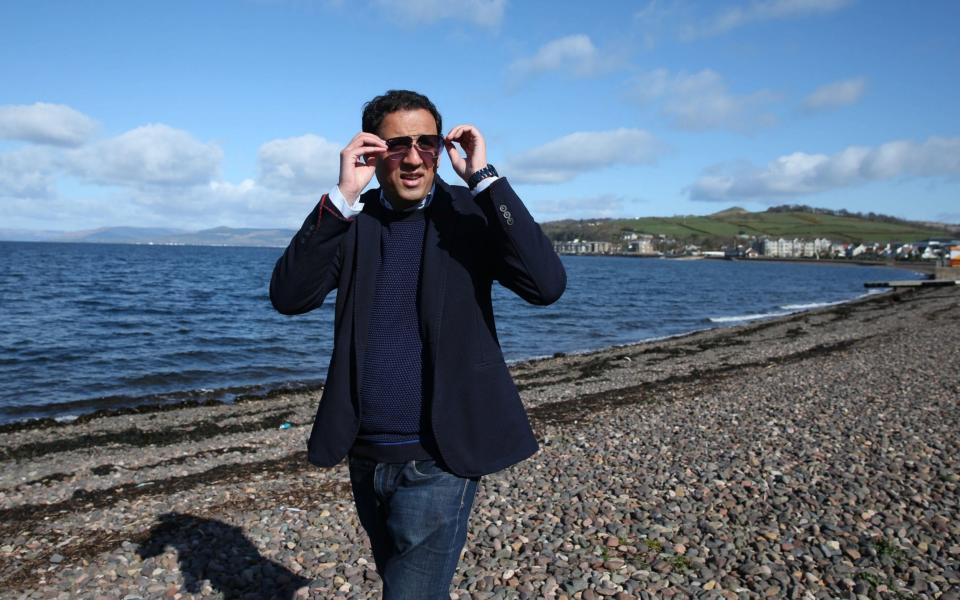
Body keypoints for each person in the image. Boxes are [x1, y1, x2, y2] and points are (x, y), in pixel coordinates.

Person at [270, 90, 565, 598]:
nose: (412, 158)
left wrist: (485, 180)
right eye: (397, 145)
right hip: (364, 451)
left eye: (425, 144)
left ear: (439, 148)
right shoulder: (353, 221)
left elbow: (546, 285)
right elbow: (290, 296)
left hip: (439, 456)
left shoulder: (468, 216)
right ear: (372, 151)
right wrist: (341, 195)